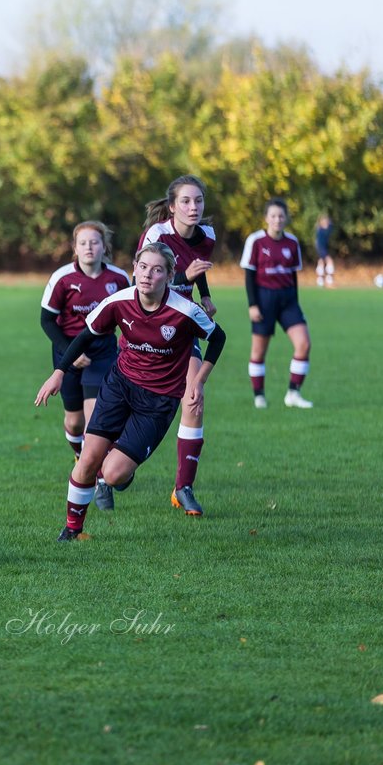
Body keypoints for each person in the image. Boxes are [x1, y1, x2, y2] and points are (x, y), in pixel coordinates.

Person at [35, 242, 226, 541]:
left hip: (158, 401)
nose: (148, 275)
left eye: (157, 270)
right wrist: (59, 373)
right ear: (134, 269)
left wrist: (198, 380)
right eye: (143, 267)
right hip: (119, 386)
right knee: (87, 460)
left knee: (113, 475)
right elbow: (85, 336)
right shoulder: (118, 302)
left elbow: (218, 338)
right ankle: (72, 530)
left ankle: (123, 465)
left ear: (169, 275)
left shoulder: (184, 311)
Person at [136, 174, 217, 516]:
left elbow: (198, 270)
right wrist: (185, 279)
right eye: (185, 201)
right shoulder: (157, 235)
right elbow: (143, 282)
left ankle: (183, 487)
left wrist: (207, 296)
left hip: (182, 326)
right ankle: (109, 468)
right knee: (135, 405)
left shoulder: (207, 236)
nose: (193, 207)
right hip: (148, 327)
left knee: (194, 398)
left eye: (198, 200)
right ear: (171, 207)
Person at [39, 221, 132, 510]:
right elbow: (46, 320)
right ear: (74, 248)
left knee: (95, 421)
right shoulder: (62, 278)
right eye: (83, 243)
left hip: (102, 353)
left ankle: (100, 477)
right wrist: (70, 352)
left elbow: (131, 314)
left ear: (104, 246)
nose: (89, 247)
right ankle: (82, 456)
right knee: (74, 422)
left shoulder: (118, 278)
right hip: (67, 353)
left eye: (95, 242)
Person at [241, 198, 313, 409]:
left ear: (286, 219)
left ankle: (293, 393)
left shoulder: (292, 242)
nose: (277, 220)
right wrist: (252, 305)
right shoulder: (255, 241)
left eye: (281, 216)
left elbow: (293, 276)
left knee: (304, 344)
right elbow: (249, 275)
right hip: (264, 299)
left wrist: (296, 304)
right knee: (259, 351)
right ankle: (259, 396)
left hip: (288, 300)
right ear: (266, 218)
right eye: (273, 216)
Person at [315, 213, 336, 287]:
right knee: (329, 261)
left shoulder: (325, 229)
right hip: (321, 248)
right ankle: (329, 279)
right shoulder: (321, 230)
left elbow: (331, 226)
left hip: (322, 247)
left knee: (321, 262)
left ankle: (320, 280)